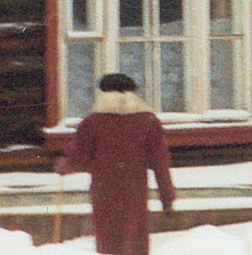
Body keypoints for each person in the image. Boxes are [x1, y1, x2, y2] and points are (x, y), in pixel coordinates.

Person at [56, 72, 176, 255]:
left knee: (108, 242)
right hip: (135, 191)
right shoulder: (148, 122)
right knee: (135, 241)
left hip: (105, 192)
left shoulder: (93, 122)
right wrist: (167, 197)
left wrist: (63, 166)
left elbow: (79, 158)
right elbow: (161, 163)